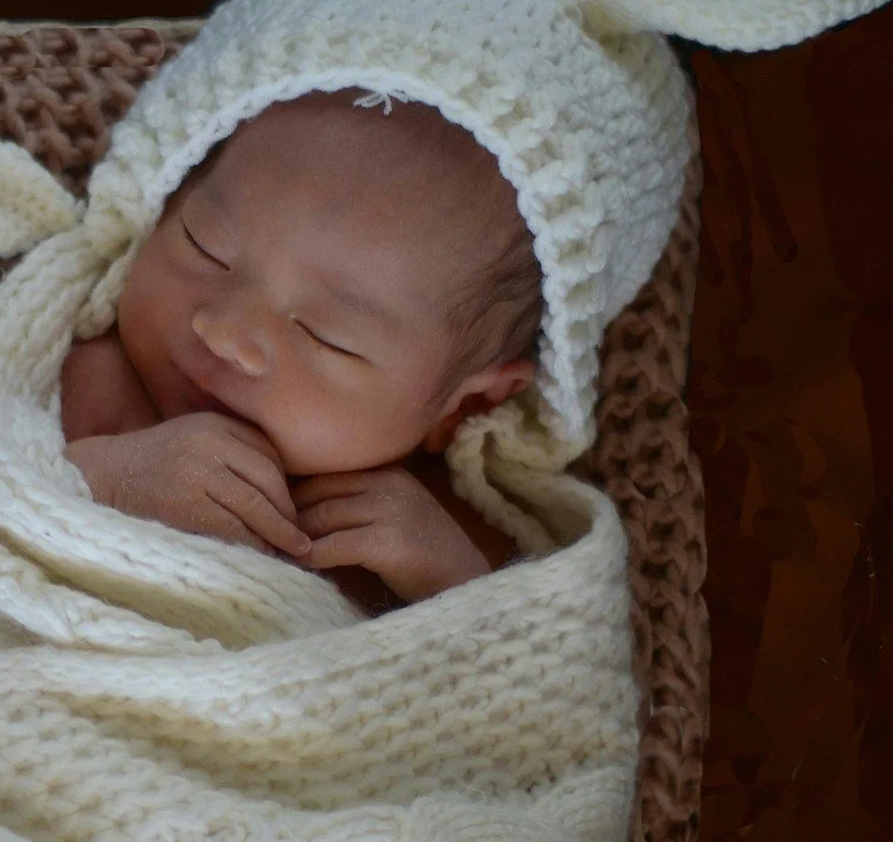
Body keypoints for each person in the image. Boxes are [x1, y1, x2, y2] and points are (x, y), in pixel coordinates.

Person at [61, 84, 542, 608]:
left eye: (326, 336)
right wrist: (106, 481)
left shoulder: (455, 532)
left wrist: (452, 589)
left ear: (464, 405)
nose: (224, 333)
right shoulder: (89, 381)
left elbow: (535, 676)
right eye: (206, 246)